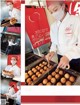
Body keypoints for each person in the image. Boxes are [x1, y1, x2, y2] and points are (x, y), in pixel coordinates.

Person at [45, 1, 80, 72]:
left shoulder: (77, 21)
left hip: (75, 59)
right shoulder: (53, 26)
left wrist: (68, 56)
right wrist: (52, 51)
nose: (54, 14)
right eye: (51, 12)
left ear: (63, 6)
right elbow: (54, 42)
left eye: (55, 10)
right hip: (60, 57)